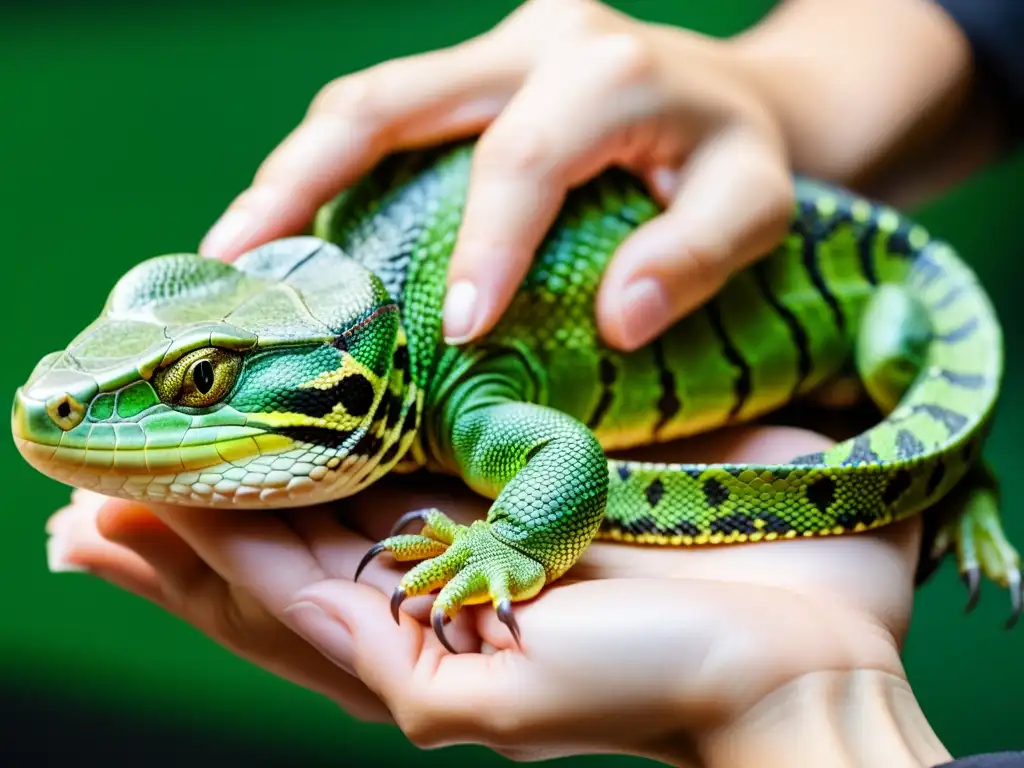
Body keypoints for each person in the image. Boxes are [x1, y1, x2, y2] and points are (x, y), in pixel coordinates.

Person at [45, 0, 1024, 765]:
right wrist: (789, 90)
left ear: (343, 380)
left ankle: (957, 477)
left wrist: (511, 540)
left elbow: (564, 457)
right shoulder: (389, 362)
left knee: (895, 343)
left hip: (874, 298)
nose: (57, 405)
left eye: (204, 378)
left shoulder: (462, 404)